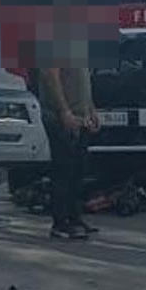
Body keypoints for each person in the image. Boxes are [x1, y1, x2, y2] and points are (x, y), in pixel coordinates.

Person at [37, 66, 101, 239]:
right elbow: (50, 75)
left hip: (81, 117)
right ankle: (60, 222)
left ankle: (74, 217)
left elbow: (83, 81)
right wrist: (64, 111)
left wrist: (91, 109)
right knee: (63, 169)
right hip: (60, 117)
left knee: (78, 170)